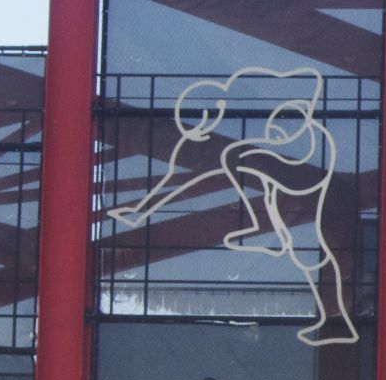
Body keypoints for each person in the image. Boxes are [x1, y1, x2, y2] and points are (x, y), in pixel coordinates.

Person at [112, 66, 356, 343]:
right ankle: (336, 319)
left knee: (320, 257)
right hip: (301, 198)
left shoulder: (270, 138)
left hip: (316, 198)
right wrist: (142, 208)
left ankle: (337, 319)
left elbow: (192, 181)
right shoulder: (245, 148)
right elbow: (186, 182)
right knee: (315, 257)